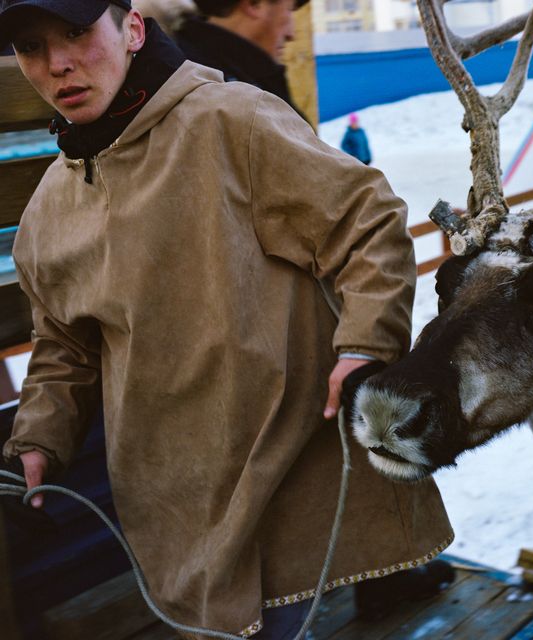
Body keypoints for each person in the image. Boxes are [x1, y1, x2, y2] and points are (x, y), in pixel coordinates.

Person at [0, 2, 454, 639]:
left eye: (77, 32)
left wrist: (365, 345)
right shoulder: (50, 204)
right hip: (166, 496)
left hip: (281, 470)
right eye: (30, 47)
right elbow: (64, 346)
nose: (59, 64)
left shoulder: (232, 120)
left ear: (132, 29)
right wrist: (37, 444)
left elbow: (368, 225)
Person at [168, 0, 307, 119]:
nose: (291, 34)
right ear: (254, 4)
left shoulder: (194, 66)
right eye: (288, 10)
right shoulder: (212, 89)